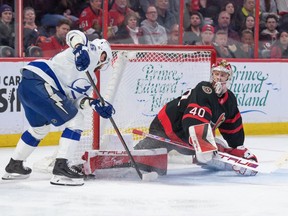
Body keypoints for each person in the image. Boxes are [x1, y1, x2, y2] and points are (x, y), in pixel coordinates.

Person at [2, 30, 114, 186]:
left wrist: (94, 104)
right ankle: (61, 167)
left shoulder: (91, 77)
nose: (100, 65)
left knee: (39, 129)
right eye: (103, 61)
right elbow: (74, 35)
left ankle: (15, 165)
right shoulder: (89, 51)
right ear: (103, 56)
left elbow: (77, 101)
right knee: (77, 120)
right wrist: (80, 48)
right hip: (42, 82)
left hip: (29, 85)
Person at [134, 59, 258, 176]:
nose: (219, 78)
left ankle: (238, 164)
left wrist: (238, 149)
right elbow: (194, 119)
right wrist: (203, 144)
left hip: (188, 137)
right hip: (166, 127)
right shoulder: (204, 89)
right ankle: (128, 158)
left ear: (229, 78)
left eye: (223, 75)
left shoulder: (229, 100)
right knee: (143, 160)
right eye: (216, 74)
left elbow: (233, 128)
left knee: (213, 152)